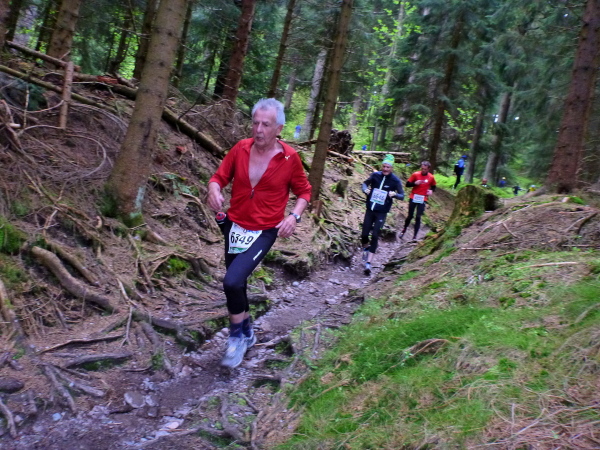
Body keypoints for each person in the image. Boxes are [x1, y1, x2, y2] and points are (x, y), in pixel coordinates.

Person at [207, 98, 312, 369]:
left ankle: (235, 339)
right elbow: (219, 177)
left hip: (265, 230)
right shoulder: (240, 148)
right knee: (238, 283)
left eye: (266, 124)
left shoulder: (289, 158)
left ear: (279, 128)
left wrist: (294, 216)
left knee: (231, 281)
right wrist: (214, 189)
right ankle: (247, 332)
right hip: (234, 225)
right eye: (255, 123)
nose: (259, 129)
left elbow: (304, 192)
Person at [360, 154, 404, 276]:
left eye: (388, 167)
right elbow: (364, 184)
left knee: (375, 235)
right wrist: (365, 190)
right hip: (370, 209)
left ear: (392, 168)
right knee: (364, 235)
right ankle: (366, 248)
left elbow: (402, 195)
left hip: (382, 212)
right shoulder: (375, 175)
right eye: (384, 166)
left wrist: (394, 195)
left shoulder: (395, 180)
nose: (385, 169)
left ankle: (368, 263)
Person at [399, 161, 436, 242]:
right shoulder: (415, 174)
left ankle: (415, 236)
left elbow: (434, 186)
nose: (423, 170)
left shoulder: (431, 177)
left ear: (428, 169)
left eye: (425, 169)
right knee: (410, 215)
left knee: (418, 216)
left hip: (423, 198)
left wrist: (431, 191)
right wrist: (414, 183)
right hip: (413, 197)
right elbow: (407, 184)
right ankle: (404, 230)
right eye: (422, 168)